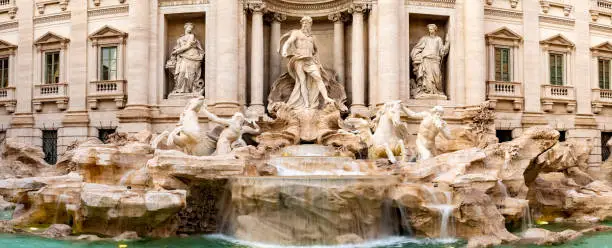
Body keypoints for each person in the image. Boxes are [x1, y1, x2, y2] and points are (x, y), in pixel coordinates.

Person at [279, 16, 335, 109]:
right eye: (303, 23)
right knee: (302, 81)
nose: (305, 25)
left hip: (309, 60)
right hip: (299, 59)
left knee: (318, 77)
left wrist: (318, 63)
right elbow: (288, 42)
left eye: (307, 23)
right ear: (301, 24)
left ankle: (326, 98)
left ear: (310, 25)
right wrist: (284, 50)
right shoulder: (296, 33)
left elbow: (316, 51)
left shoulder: (312, 38)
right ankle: (306, 104)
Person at [410, 24, 450, 96]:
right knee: (427, 77)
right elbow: (417, 48)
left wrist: (447, 43)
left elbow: (442, 51)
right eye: (429, 29)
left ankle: (438, 91)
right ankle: (427, 91)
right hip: (426, 59)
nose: (430, 30)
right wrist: (417, 56)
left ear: (435, 30)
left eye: (432, 29)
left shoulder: (438, 39)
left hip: (435, 60)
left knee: (437, 76)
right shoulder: (425, 38)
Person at [168, 22, 204, 94]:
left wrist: (177, 51)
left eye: (191, 28)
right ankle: (179, 89)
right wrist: (175, 52)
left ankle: (188, 90)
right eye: (189, 27)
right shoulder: (180, 38)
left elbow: (187, 46)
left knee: (190, 74)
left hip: (192, 56)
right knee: (181, 72)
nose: (190, 29)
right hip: (182, 57)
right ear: (185, 28)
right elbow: (177, 47)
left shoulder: (191, 36)